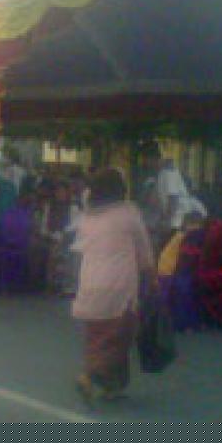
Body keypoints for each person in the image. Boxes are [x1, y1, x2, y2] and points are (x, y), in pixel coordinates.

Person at [72, 168, 155, 406]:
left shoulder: (87, 216)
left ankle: (113, 386)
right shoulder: (128, 213)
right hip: (119, 285)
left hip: (89, 282)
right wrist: (151, 275)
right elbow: (144, 250)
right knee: (120, 336)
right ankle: (89, 376)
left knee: (96, 336)